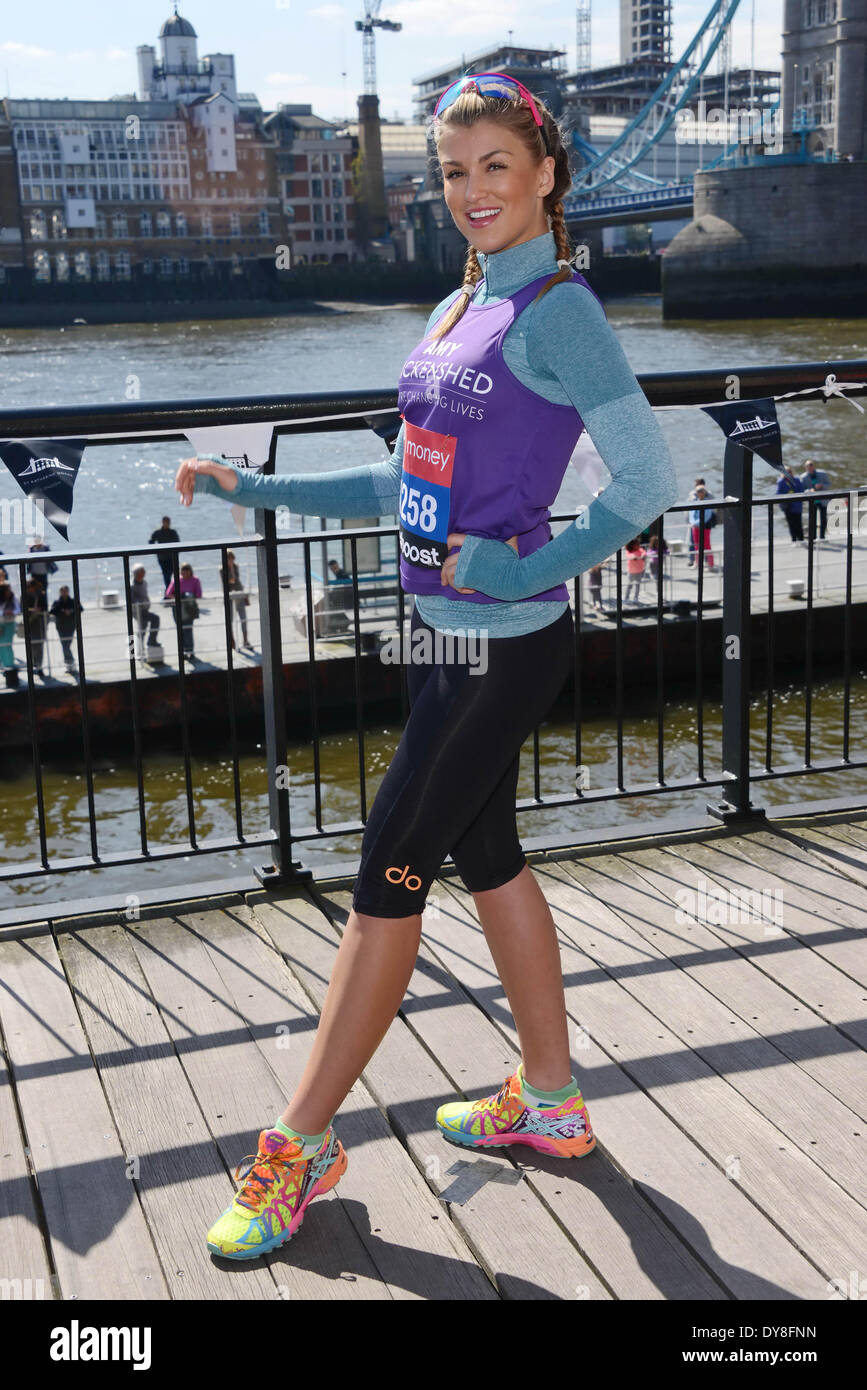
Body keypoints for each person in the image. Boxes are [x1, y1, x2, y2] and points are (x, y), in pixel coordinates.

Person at [174, 71, 678, 1262]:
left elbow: (651, 485)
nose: (471, 191)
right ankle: (549, 1100)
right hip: (435, 631)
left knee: (383, 874)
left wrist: (520, 571)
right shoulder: (460, 304)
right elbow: (405, 479)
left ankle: (300, 1145)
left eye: (496, 166)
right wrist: (260, 487)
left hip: (500, 642)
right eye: (453, 172)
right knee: (486, 850)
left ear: (547, 173)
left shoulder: (559, 308)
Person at [165, 562, 202, 660]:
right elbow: (168, 593)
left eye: (187, 572)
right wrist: (179, 597)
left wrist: (188, 596)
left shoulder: (195, 580)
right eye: (183, 572)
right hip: (177, 608)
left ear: (190, 572)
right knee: (180, 631)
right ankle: (183, 652)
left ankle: (191, 651)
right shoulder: (176, 580)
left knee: (188, 630)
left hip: (189, 608)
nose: (185, 574)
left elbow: (199, 594)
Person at [219, 550, 250, 650]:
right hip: (229, 597)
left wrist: (245, 596)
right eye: (229, 559)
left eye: (232, 558)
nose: (231, 561)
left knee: (243, 618)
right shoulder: (221, 569)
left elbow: (237, 581)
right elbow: (230, 581)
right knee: (230, 620)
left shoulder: (236, 566)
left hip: (239, 594)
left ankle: (245, 640)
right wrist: (231, 570)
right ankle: (232, 640)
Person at [48, 584, 83, 669]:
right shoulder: (57, 602)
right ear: (60, 592)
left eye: (65, 591)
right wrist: (63, 612)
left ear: (68, 591)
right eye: (62, 591)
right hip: (60, 626)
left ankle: (69, 662)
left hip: (71, 626)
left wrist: (71, 611)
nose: (64, 593)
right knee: (64, 645)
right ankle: (70, 662)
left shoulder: (73, 601)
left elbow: (80, 609)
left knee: (66, 645)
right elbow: (52, 611)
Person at [130, 565, 161, 660]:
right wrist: (141, 603)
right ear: (136, 574)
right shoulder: (132, 586)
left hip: (144, 610)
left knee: (143, 628)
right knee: (143, 627)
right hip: (137, 611)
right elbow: (132, 600)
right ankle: (140, 648)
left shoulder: (144, 583)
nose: (144, 574)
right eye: (141, 572)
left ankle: (148, 643)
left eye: (143, 572)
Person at [800, 458, 831, 541]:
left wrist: (822, 486)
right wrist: (809, 490)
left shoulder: (822, 474)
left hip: (822, 500)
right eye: (808, 466)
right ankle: (813, 537)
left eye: (811, 465)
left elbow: (829, 484)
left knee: (823, 519)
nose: (810, 467)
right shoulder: (803, 477)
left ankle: (822, 537)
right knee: (812, 519)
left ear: (814, 466)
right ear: (805, 468)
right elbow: (802, 490)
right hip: (812, 501)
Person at [149, 515, 180, 595]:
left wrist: (176, 553)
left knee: (174, 575)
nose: (167, 524)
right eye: (165, 522)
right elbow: (151, 541)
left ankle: (172, 592)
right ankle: (168, 593)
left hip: (172, 557)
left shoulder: (173, 532)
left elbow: (178, 543)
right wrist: (157, 550)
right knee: (166, 576)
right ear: (162, 522)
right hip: (162, 558)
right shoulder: (158, 532)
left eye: (168, 522)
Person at [24, 577, 48, 678]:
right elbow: (23, 608)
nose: (29, 589)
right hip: (30, 623)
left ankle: (39, 667)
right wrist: (31, 610)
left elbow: (45, 607)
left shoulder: (41, 595)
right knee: (32, 646)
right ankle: (34, 664)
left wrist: (39, 610)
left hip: (40, 623)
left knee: (39, 645)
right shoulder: (24, 596)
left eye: (30, 587)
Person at [688, 485, 716, 570]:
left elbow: (707, 516)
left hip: (705, 526)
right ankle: (697, 563)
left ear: (704, 492)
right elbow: (691, 513)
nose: (699, 493)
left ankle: (710, 564)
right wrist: (693, 522)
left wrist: (697, 523)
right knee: (697, 545)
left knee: (706, 545)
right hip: (695, 527)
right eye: (698, 491)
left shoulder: (707, 502)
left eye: (701, 491)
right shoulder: (695, 501)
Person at [0, 581, 21, 688]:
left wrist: (11, 612)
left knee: (7, 644)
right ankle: (3, 665)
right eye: (7, 590)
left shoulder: (13, 598)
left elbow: (18, 609)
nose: (9, 592)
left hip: (9, 623)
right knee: (1, 645)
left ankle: (9, 665)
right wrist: (3, 612)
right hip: (0, 622)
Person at [776, 464, 805, 542]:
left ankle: (801, 539)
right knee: (791, 524)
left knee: (798, 523)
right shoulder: (781, 482)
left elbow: (801, 491)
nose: (788, 473)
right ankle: (794, 540)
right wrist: (787, 495)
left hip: (797, 506)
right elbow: (778, 494)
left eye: (790, 471)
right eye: (786, 472)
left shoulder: (797, 480)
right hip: (788, 507)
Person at [686, 476, 711, 566]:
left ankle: (706, 562)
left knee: (705, 543)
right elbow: (690, 509)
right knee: (693, 542)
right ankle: (693, 560)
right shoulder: (693, 495)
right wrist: (692, 522)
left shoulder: (708, 495)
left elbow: (709, 512)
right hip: (694, 523)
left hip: (704, 524)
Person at [624, 537, 646, 602]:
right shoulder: (629, 551)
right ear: (632, 545)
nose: (638, 545)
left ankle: (636, 598)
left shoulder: (640, 550)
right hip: (631, 572)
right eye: (637, 544)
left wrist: (643, 556)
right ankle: (626, 598)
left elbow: (644, 552)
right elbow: (630, 556)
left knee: (637, 585)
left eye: (638, 544)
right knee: (629, 585)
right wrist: (635, 557)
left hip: (639, 571)